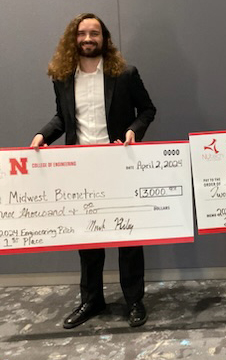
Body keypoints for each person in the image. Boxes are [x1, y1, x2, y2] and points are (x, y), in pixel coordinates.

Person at [30, 13, 156, 328]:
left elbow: (148, 110)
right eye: (83, 33)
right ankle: (91, 300)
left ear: (104, 38)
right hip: (80, 168)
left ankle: (134, 300)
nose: (88, 38)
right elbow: (63, 117)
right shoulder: (62, 76)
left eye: (94, 33)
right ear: (74, 38)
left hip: (118, 163)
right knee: (87, 237)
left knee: (127, 236)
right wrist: (43, 135)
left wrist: (133, 131)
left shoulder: (125, 74)